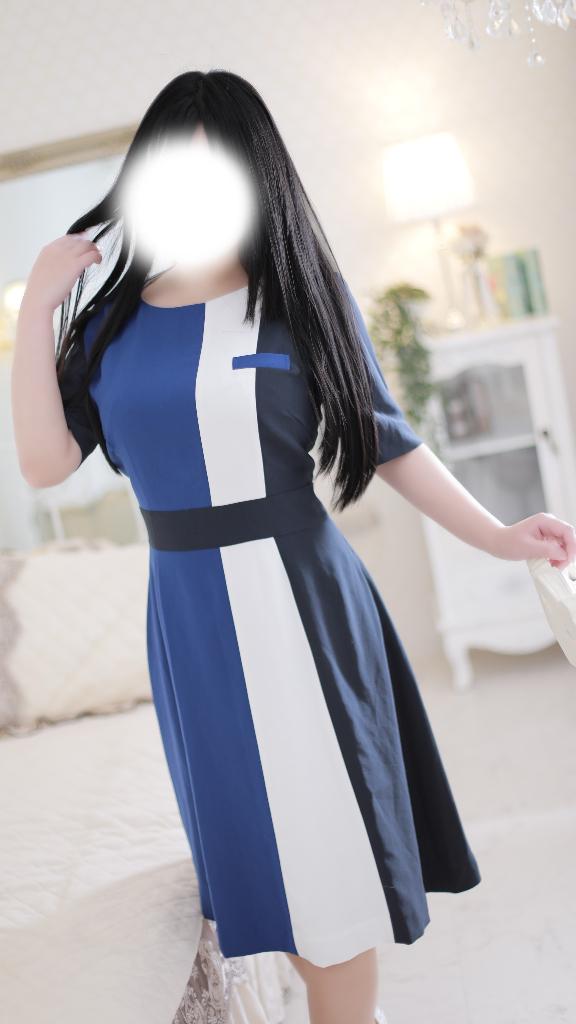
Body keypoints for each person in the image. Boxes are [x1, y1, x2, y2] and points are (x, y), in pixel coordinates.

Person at [12, 70, 576, 1024]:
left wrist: (496, 533)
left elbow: (387, 439)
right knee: (264, 865)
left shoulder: (301, 300)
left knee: (333, 861)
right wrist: (38, 309)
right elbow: (43, 461)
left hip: (304, 604)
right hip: (191, 619)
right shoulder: (110, 324)